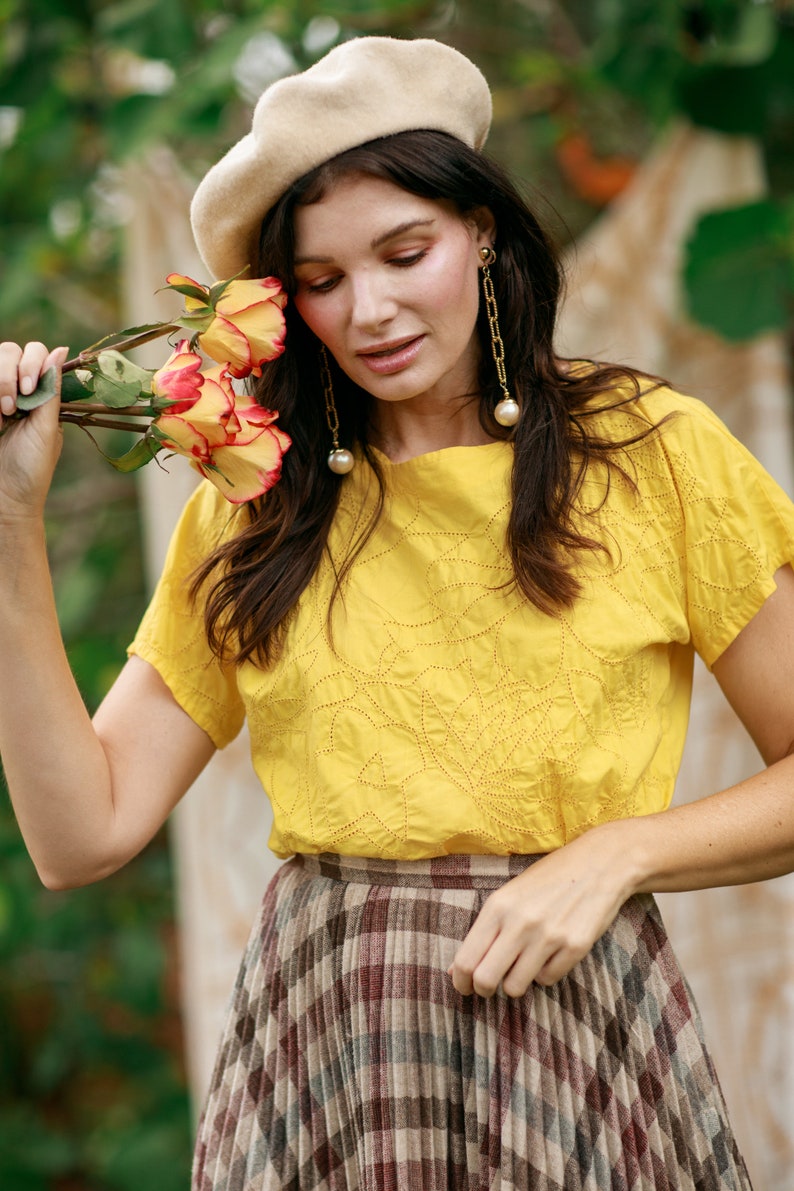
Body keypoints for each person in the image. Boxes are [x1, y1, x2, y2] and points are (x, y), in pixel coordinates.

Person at [1, 34, 793, 1191]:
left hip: (572, 1042)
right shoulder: (256, 506)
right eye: (321, 280)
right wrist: (10, 524)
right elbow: (83, 833)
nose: (368, 308)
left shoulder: (650, 455)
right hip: (326, 1044)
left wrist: (622, 854)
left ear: (479, 234)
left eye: (402, 250)